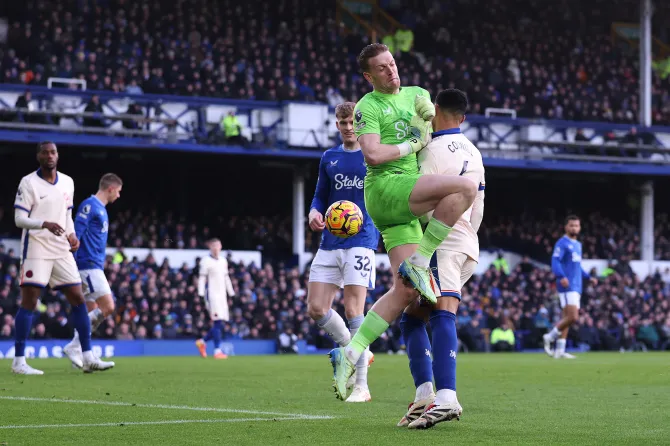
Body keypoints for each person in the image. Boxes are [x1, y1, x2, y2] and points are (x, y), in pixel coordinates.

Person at [329, 43, 477, 400]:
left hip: (406, 205)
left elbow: (427, 123)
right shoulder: (368, 106)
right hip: (387, 188)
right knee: (465, 188)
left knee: (408, 292)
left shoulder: (416, 94)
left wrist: (427, 115)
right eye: (381, 68)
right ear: (369, 76)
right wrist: (412, 145)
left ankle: (349, 352)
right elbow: (375, 155)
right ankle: (421, 259)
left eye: (392, 64)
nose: (390, 71)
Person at [400, 89, 485, 429]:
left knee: (442, 312)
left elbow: (418, 201)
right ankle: (425, 395)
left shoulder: (431, 150)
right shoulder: (474, 152)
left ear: (434, 110)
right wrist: (469, 237)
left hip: (442, 242)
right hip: (467, 243)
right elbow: (477, 204)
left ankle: (446, 398)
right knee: (413, 317)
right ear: (462, 117)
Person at [12, 141, 114, 374]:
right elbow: (19, 219)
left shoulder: (68, 182)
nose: (50, 155)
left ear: (58, 156)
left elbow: (67, 214)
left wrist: (72, 235)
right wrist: (43, 224)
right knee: (30, 301)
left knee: (78, 298)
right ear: (38, 156)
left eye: (53, 152)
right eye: (45, 152)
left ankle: (87, 355)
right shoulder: (28, 183)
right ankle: (19, 361)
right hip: (36, 247)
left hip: (61, 249)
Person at [307, 102, 380, 403]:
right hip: (329, 241)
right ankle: (357, 350)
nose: (348, 127)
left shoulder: (373, 156)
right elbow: (320, 196)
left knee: (354, 310)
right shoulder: (329, 157)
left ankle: (362, 386)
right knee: (316, 308)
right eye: (342, 122)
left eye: (352, 122)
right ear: (336, 125)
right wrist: (313, 212)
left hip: (361, 240)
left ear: (359, 123)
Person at [63, 173, 123, 369]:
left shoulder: (101, 209)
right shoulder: (90, 205)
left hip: (93, 265)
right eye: (119, 192)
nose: (119, 196)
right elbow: (75, 233)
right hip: (88, 265)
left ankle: (82, 356)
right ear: (111, 189)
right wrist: (71, 260)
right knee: (108, 307)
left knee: (90, 310)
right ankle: (74, 346)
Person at [543, 215, 597, 359]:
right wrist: (561, 276)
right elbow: (555, 261)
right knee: (573, 317)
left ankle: (560, 350)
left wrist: (588, 277)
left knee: (566, 317)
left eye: (576, 225)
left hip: (576, 284)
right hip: (567, 285)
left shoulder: (578, 245)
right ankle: (550, 336)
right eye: (571, 225)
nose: (574, 228)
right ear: (566, 227)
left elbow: (577, 266)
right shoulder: (562, 243)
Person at [195, 239, 235, 359]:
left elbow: (226, 277)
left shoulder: (223, 261)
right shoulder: (205, 261)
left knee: (220, 323)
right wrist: (201, 293)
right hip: (212, 295)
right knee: (217, 322)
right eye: (213, 246)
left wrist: (231, 293)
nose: (216, 248)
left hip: (222, 296)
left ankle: (202, 342)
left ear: (221, 246)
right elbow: (202, 278)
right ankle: (217, 351)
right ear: (210, 247)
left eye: (217, 245)